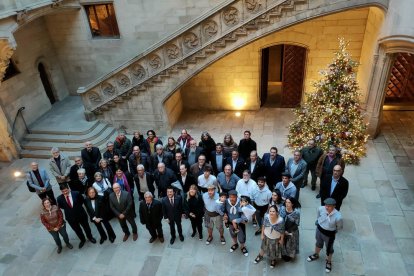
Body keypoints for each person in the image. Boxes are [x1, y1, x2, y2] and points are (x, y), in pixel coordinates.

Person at [307, 198, 343, 273]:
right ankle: (316, 254)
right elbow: (318, 217)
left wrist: (332, 231)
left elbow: (339, 227)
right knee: (318, 243)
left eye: (329, 206)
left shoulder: (338, 216)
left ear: (334, 206)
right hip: (319, 230)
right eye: (326, 205)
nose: (326, 207)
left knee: (329, 248)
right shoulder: (321, 209)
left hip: (329, 234)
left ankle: (329, 261)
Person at [56, 183, 96, 249]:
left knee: (86, 227)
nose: (65, 192)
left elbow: (81, 201)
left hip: (81, 215)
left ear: (68, 188)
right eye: (63, 191)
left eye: (66, 190)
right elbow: (62, 207)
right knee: (77, 230)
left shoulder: (76, 193)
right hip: (71, 218)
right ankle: (82, 240)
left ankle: (90, 237)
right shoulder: (59, 198)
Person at [223, 190, 249, 257]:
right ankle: (235, 244)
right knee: (233, 234)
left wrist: (245, 220)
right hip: (230, 222)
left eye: (233, 197)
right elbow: (224, 210)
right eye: (230, 197)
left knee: (241, 237)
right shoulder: (226, 201)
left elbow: (246, 212)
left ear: (237, 197)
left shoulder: (241, 202)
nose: (232, 199)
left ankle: (242, 247)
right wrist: (225, 215)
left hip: (240, 223)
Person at [280, 197, 301, 261]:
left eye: (289, 202)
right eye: (286, 202)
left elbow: (296, 224)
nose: (287, 204)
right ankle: (283, 253)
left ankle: (289, 255)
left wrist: (288, 231)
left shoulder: (296, 212)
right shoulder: (282, 209)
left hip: (291, 230)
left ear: (292, 204)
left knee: (290, 244)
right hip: (282, 229)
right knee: (283, 242)